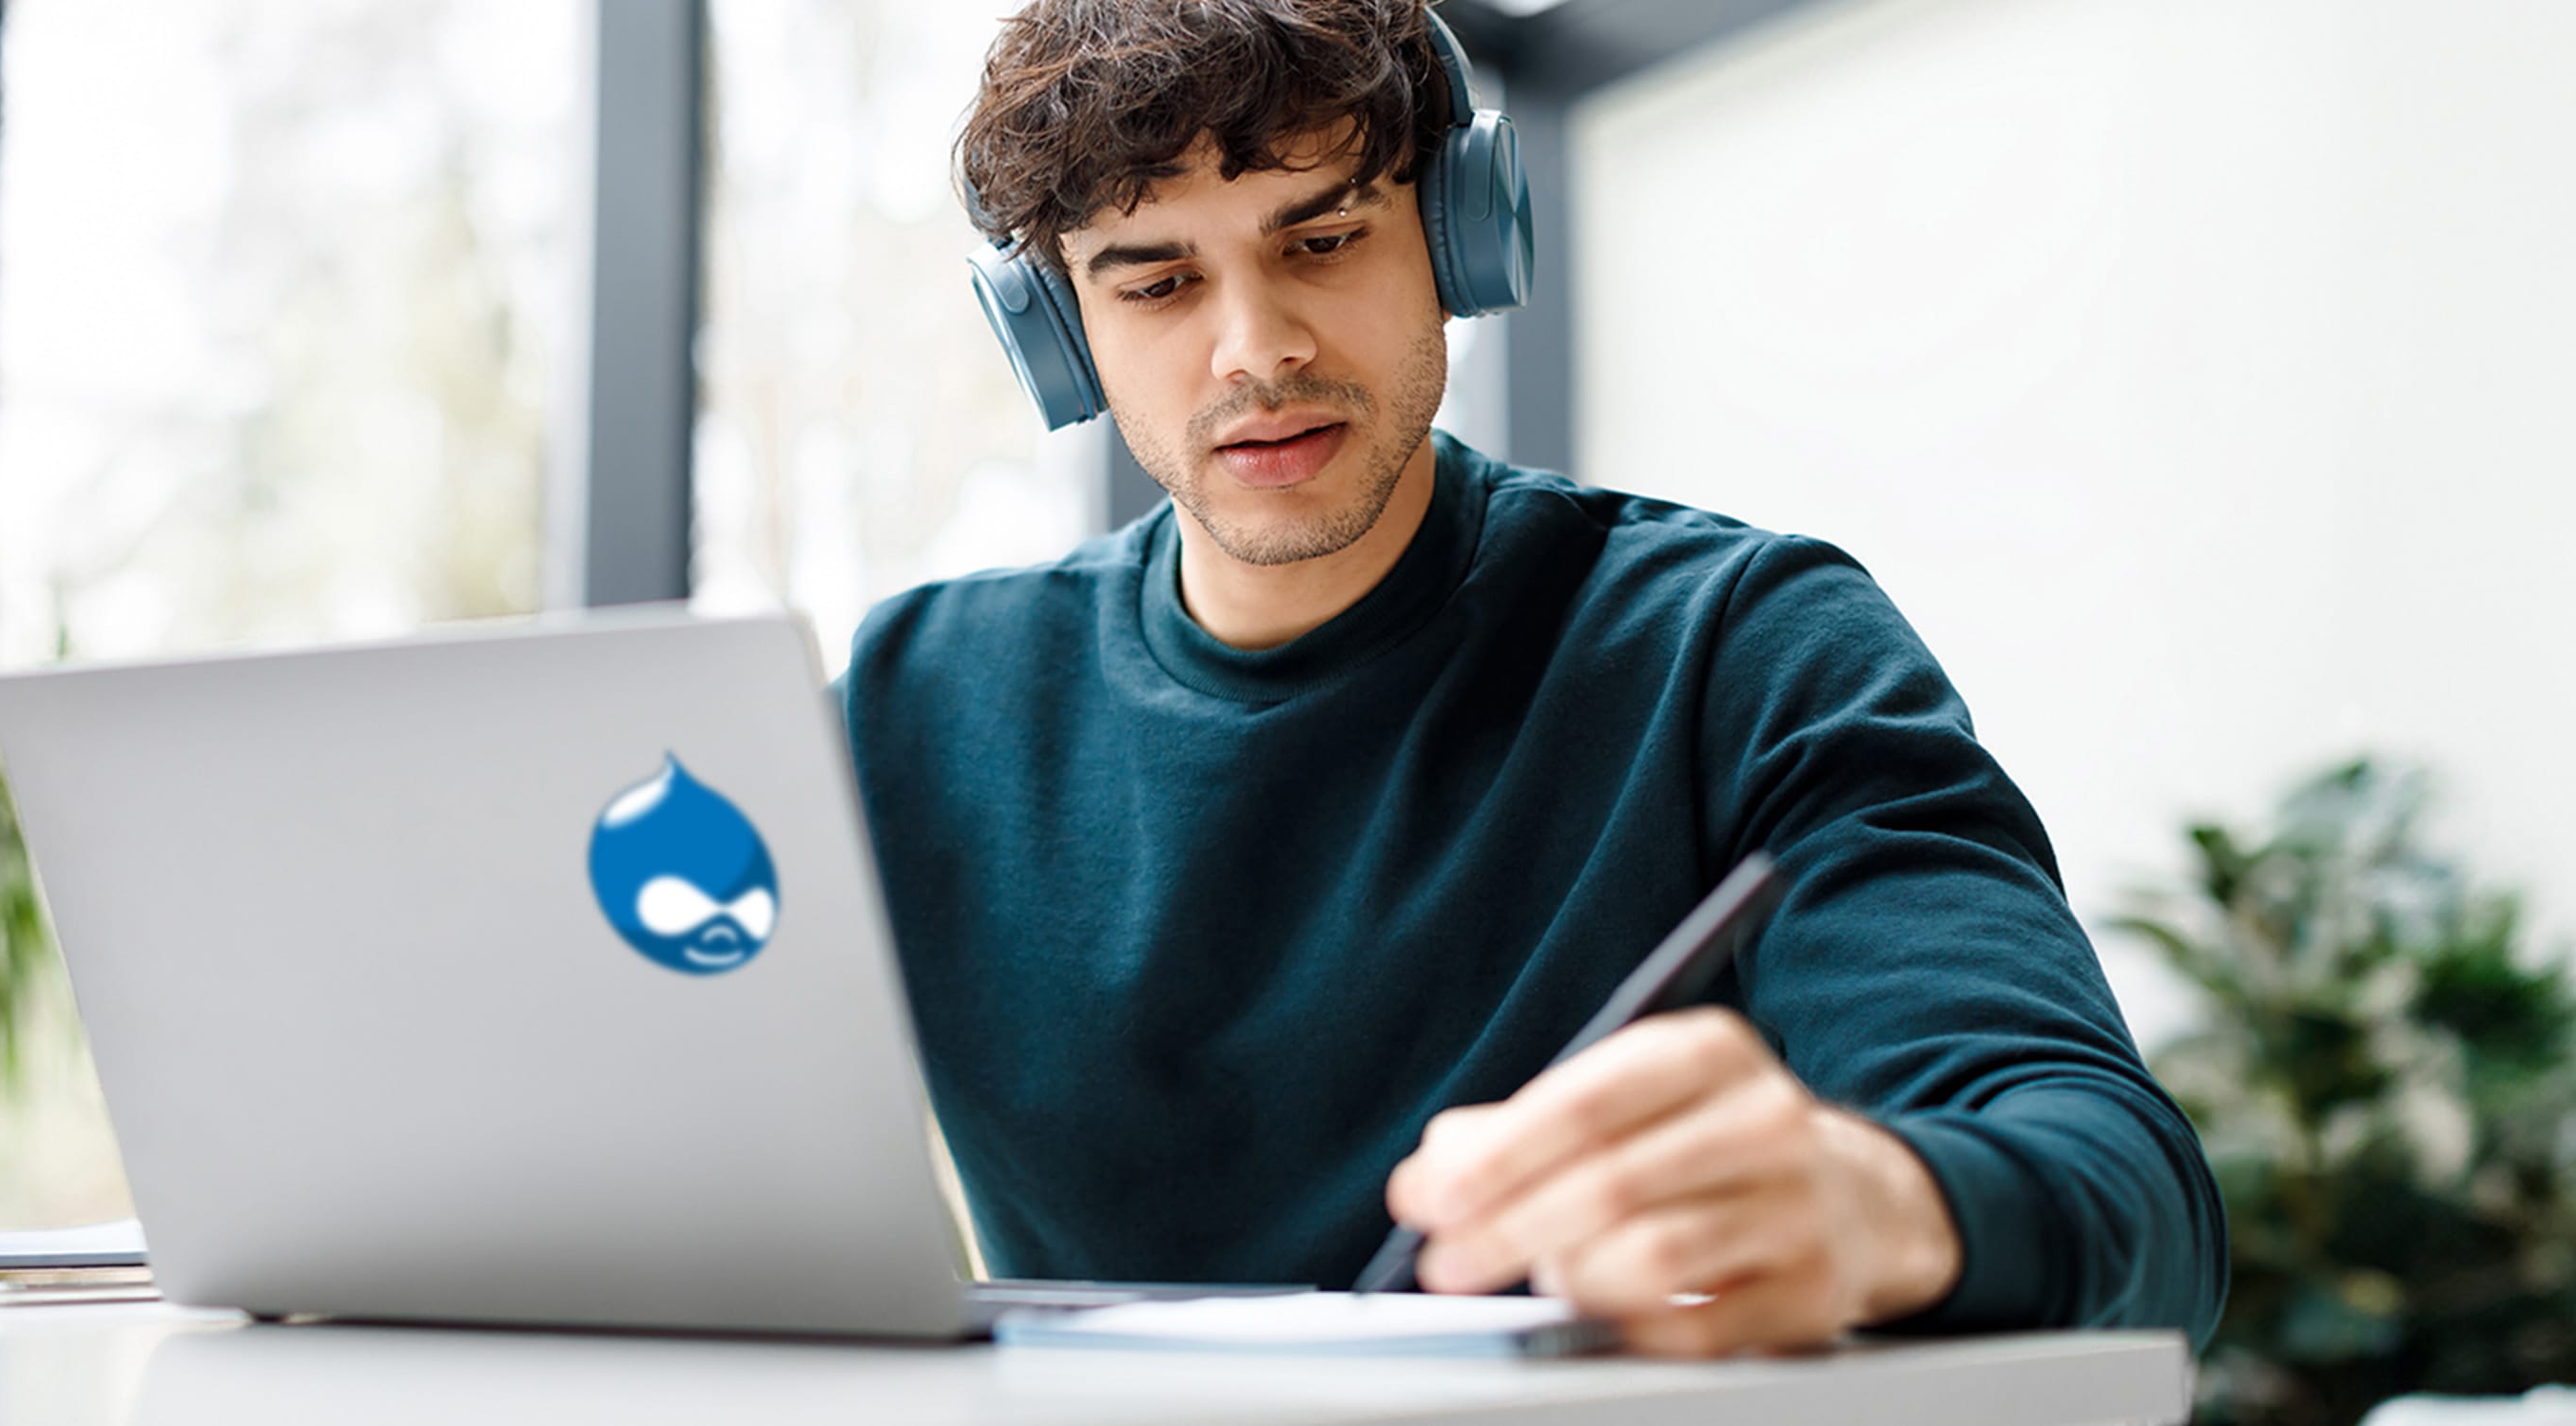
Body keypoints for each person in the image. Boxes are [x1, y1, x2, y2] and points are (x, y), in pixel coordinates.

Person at [837, 0, 2226, 1357]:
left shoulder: (1738, 647)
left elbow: (2130, 1196)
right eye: (1157, 284)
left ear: (1460, 235)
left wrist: (1881, 1209)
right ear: (1059, 331)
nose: (1256, 350)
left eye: (1323, 240)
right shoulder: (915, 704)